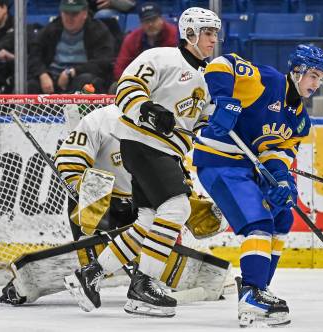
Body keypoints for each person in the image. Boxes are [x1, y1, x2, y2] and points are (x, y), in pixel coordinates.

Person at [64, 7, 222, 318]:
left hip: (169, 152)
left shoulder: (208, 78)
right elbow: (127, 88)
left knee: (148, 221)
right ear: (189, 33)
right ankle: (143, 285)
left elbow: (202, 123)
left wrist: (217, 134)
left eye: (216, 33)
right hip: (144, 143)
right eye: (207, 32)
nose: (213, 39)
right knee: (178, 208)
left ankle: (91, 275)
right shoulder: (161, 58)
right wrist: (148, 109)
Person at [0, 104, 229, 306]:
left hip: (141, 204)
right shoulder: (99, 121)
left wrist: (189, 203)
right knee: (88, 253)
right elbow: (69, 159)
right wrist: (84, 191)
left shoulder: (162, 122)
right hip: (100, 205)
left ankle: (138, 281)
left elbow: (175, 176)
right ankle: (21, 288)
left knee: (154, 250)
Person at [192, 44, 323, 327]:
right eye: (313, 75)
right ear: (297, 71)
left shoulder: (299, 119)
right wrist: (223, 100)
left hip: (248, 166)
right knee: (258, 221)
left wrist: (282, 181)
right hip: (221, 160)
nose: (316, 84)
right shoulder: (268, 81)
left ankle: (257, 288)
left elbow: (278, 153)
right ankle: (253, 294)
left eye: (321, 78)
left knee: (282, 216)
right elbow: (222, 64)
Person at [27, 0, 115, 94]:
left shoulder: (99, 31)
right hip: (53, 79)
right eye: (66, 13)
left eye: (74, 14)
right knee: (31, 85)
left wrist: (73, 72)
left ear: (84, 13)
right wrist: (42, 74)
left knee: (86, 81)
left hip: (81, 77)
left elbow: (103, 62)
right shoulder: (51, 29)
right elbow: (34, 54)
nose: (69, 18)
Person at [113, 2, 178, 81]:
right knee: (115, 87)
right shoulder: (132, 39)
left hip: (168, 81)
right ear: (141, 23)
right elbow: (120, 69)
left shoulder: (174, 35)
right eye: (146, 21)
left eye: (154, 20)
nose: (150, 24)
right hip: (138, 82)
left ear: (161, 19)